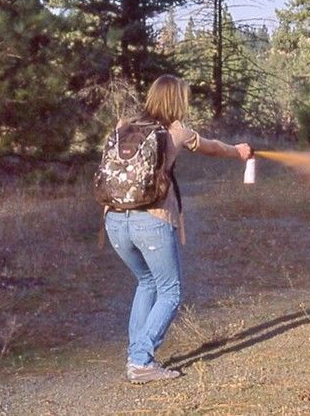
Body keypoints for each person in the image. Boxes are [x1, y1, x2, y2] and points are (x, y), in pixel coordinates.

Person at [103, 74, 252, 384]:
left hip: (115, 221)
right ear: (177, 100)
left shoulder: (123, 126)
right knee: (170, 290)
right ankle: (141, 360)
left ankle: (137, 355)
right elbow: (212, 147)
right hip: (152, 221)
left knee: (146, 282)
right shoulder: (177, 131)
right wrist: (238, 151)